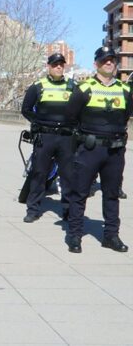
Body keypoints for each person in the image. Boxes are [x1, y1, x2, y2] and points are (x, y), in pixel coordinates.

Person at [64, 46, 132, 253]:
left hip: (115, 152)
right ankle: (75, 236)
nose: (109, 63)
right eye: (104, 60)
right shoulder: (84, 88)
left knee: (111, 194)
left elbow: (127, 115)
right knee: (79, 193)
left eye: (112, 60)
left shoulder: (125, 90)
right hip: (89, 150)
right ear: (96, 64)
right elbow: (70, 117)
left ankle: (111, 236)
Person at [20, 53, 75, 222]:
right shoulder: (38, 87)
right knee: (39, 173)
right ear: (49, 66)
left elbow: (80, 110)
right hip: (45, 136)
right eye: (55, 64)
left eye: (61, 64)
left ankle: (67, 209)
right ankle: (33, 209)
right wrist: (39, 122)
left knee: (68, 175)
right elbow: (26, 109)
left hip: (66, 137)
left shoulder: (73, 86)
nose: (58, 67)